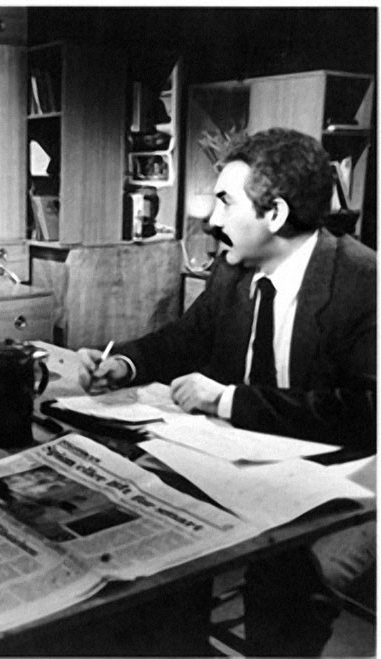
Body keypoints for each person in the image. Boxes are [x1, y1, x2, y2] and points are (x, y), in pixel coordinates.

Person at [77, 127, 376, 656]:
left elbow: (367, 412)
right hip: (251, 463)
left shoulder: (364, 282)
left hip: (351, 482)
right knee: (151, 541)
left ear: (275, 214)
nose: (212, 220)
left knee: (287, 589)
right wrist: (123, 363)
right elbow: (186, 339)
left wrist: (226, 399)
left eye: (225, 202)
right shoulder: (234, 269)